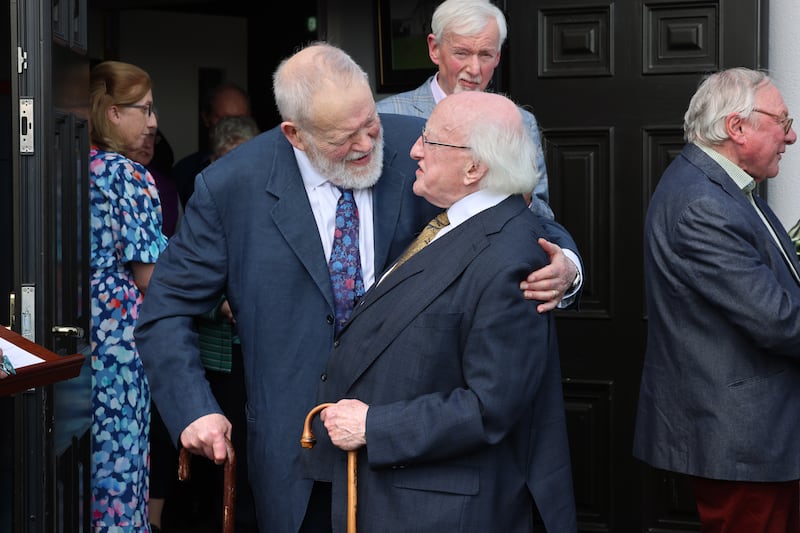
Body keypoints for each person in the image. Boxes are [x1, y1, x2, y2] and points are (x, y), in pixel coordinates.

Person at [135, 42, 580, 532]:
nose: (369, 145)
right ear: (295, 135)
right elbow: (165, 310)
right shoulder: (232, 186)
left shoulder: (426, 148)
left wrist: (567, 266)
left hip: (422, 468)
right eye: (345, 138)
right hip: (296, 458)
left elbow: (515, 219)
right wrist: (194, 411)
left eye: (371, 123)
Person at [306, 90, 576, 532]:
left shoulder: (512, 257)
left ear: (474, 168)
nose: (414, 149)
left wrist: (374, 425)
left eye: (431, 142)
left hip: (446, 511)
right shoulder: (451, 223)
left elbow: (491, 406)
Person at [633, 67, 800, 532]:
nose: (791, 137)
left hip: (759, 434)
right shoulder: (702, 202)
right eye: (783, 122)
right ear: (737, 127)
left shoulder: (725, 186)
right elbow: (777, 320)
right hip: (745, 439)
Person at [376, 0, 583, 310]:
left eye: (485, 55)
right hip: (406, 300)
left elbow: (540, 215)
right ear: (434, 49)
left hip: (491, 298)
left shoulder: (518, 121)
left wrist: (568, 263)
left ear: (498, 56)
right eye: (461, 53)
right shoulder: (387, 118)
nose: (474, 69)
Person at [89, 60, 168, 530]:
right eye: (146, 109)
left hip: (78, 336)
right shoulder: (127, 175)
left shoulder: (75, 163)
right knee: (121, 470)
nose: (154, 121)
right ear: (114, 112)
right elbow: (151, 276)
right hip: (119, 346)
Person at [172, 82, 251, 206]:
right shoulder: (185, 172)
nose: (232, 127)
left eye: (241, 120)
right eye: (224, 119)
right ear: (206, 118)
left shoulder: (270, 168)